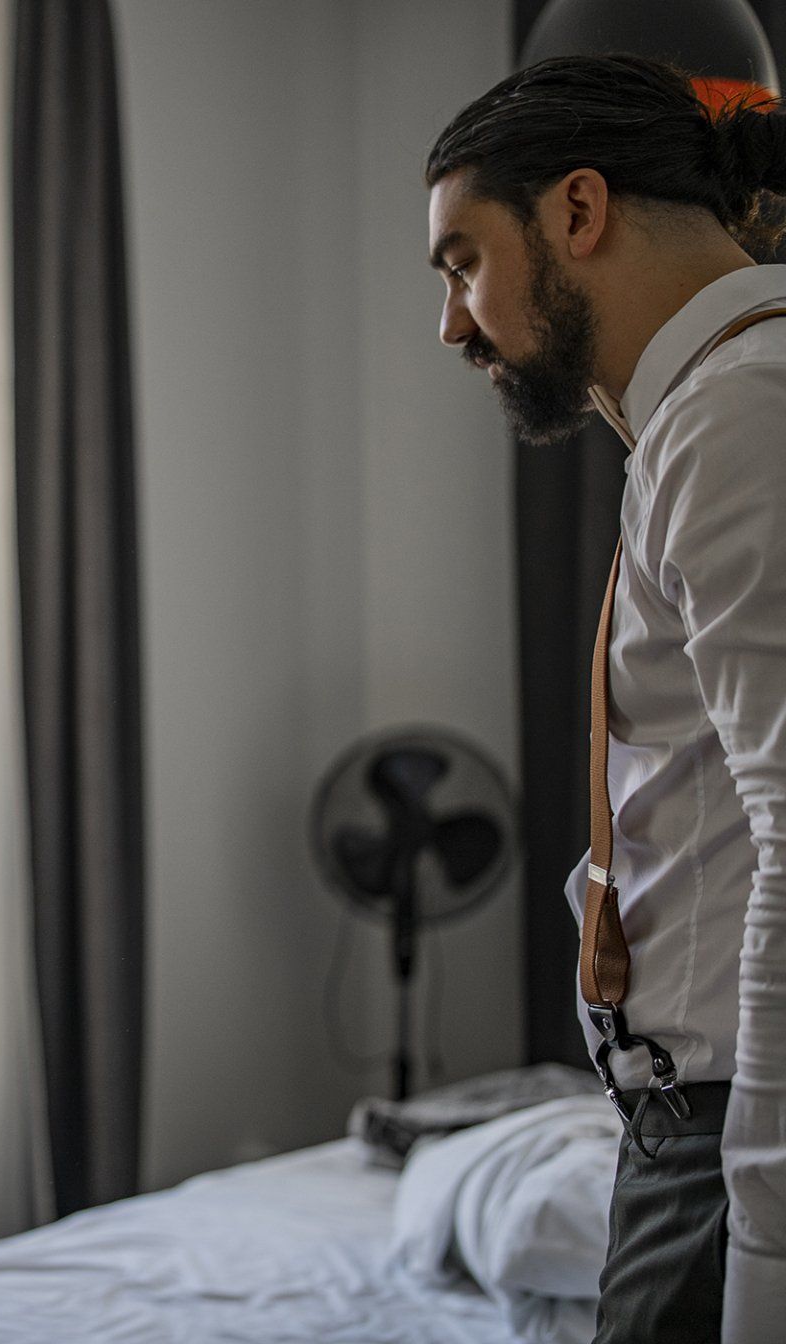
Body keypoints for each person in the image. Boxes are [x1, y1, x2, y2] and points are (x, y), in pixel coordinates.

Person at [425, 55, 786, 1344]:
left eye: (463, 262)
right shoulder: (710, 411)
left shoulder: (740, 414)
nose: (454, 324)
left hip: (727, 1140)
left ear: (578, 210)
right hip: (690, 1127)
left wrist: (764, 1235)